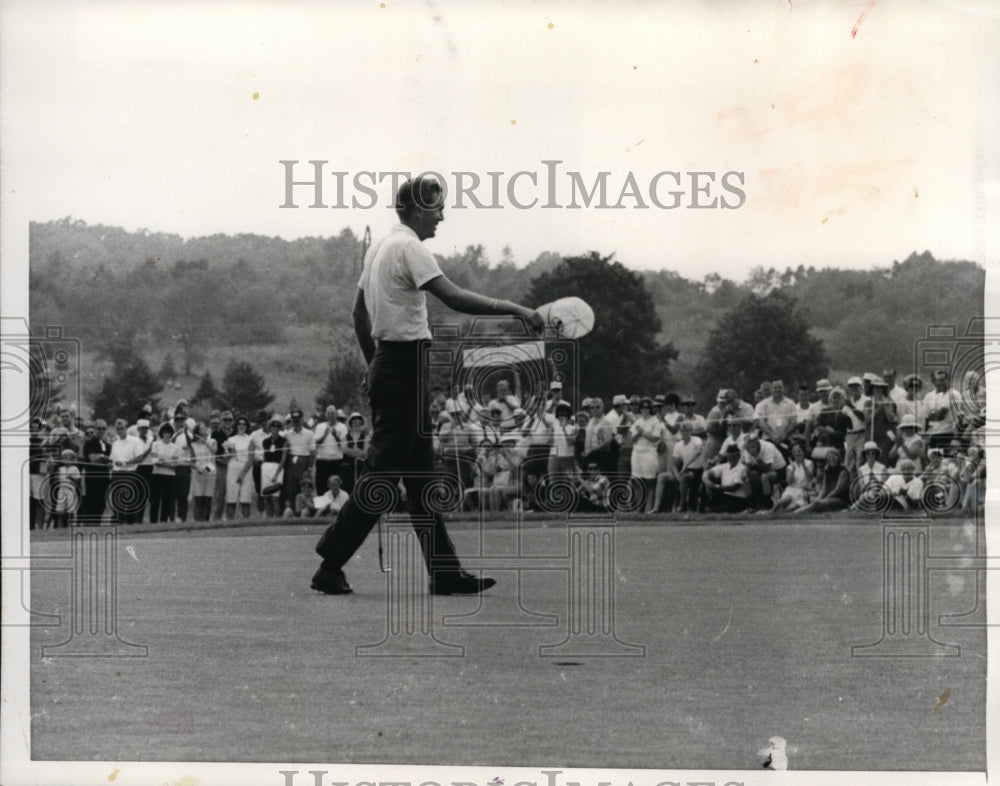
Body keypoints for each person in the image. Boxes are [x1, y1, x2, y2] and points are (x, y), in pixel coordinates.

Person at [312, 174, 544, 596]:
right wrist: (514, 308)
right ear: (418, 209)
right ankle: (330, 563)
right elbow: (452, 297)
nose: (442, 215)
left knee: (421, 479)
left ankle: (444, 571)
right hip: (402, 367)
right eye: (437, 207)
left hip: (392, 365)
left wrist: (372, 366)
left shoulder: (380, 248)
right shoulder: (410, 247)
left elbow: (357, 315)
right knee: (382, 476)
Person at [630, 397, 668, 514]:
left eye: (647, 407)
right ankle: (638, 509)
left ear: (650, 409)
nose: (645, 410)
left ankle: (649, 509)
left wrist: (642, 432)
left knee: (649, 482)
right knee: (637, 481)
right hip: (637, 452)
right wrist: (639, 433)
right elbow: (633, 439)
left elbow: (654, 438)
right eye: (642, 407)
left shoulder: (655, 421)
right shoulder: (637, 421)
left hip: (649, 452)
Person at [796, 448, 850, 515]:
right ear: (827, 459)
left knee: (817, 504)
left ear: (839, 457)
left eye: (835, 456)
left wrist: (823, 500)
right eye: (829, 457)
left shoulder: (843, 471)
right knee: (809, 499)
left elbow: (837, 491)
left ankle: (796, 514)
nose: (832, 458)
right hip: (828, 498)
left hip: (839, 500)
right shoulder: (827, 471)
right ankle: (796, 512)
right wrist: (818, 498)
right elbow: (823, 490)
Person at [223, 415, 256, 520]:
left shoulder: (250, 439)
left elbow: (251, 459)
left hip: (246, 469)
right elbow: (226, 459)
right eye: (239, 424)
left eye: (244, 424)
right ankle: (230, 524)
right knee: (231, 499)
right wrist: (230, 453)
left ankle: (245, 524)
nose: (241, 426)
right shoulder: (230, 439)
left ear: (247, 426)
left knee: (245, 499)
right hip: (232, 468)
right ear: (236, 425)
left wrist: (242, 473)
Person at [149, 422, 182, 523]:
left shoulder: (175, 447)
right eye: (164, 432)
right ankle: (153, 521)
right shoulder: (155, 444)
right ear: (161, 433)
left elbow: (176, 465)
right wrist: (168, 464)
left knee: (167, 500)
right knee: (155, 500)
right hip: (157, 475)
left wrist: (163, 461)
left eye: (168, 432)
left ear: (171, 433)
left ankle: (163, 520)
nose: (166, 434)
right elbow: (155, 462)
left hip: (170, 476)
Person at [702, 444, 749, 513]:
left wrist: (716, 487)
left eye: (733, 456)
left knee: (720, 510)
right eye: (729, 456)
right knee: (706, 484)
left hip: (738, 498)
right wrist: (709, 483)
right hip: (725, 495)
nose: (731, 458)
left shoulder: (742, 468)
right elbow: (707, 473)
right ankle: (705, 507)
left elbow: (734, 487)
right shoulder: (725, 466)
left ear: (738, 456)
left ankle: (712, 508)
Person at [772, 441, 815, 513]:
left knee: (790, 509)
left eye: (799, 451)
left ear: (803, 451)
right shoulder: (789, 466)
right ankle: (770, 513)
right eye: (794, 451)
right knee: (782, 502)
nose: (797, 453)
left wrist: (803, 464)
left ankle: (780, 514)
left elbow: (809, 477)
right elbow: (789, 482)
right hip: (791, 490)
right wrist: (793, 469)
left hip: (803, 492)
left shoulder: (809, 463)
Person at [314, 404, 348, 492]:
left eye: (332, 413)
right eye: (329, 413)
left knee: (336, 488)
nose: (331, 415)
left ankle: (336, 505)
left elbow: (344, 447)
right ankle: (322, 506)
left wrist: (336, 436)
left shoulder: (342, 427)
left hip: (336, 462)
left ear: (336, 414)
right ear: (325, 415)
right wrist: (324, 436)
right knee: (321, 487)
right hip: (322, 461)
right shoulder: (319, 426)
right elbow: (315, 444)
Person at [260, 417, 289, 518]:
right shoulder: (265, 441)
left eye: (278, 427)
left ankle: (277, 519)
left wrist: (276, 474)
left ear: (280, 429)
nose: (275, 428)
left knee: (274, 497)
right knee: (266, 497)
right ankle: (269, 520)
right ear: (270, 428)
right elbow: (264, 457)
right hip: (265, 469)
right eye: (273, 426)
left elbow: (283, 460)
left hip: (277, 468)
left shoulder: (284, 441)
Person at [188, 423, 217, 522]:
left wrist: (205, 443)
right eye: (202, 429)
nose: (204, 430)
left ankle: (206, 522)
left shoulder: (212, 441)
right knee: (199, 499)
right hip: (198, 473)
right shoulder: (193, 444)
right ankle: (197, 521)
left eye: (205, 428)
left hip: (210, 472)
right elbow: (191, 461)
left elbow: (214, 453)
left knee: (207, 499)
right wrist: (198, 469)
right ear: (197, 432)